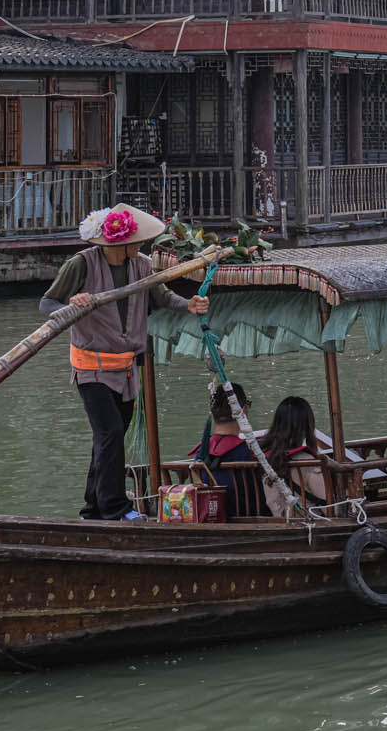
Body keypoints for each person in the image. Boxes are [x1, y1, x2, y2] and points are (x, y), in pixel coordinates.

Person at [38, 202, 210, 521]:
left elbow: (163, 297)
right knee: (111, 434)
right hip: (91, 368)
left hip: (127, 369)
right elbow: (47, 303)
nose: (142, 245)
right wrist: (73, 303)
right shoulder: (82, 264)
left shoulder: (142, 265)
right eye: (137, 241)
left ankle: (93, 507)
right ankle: (116, 508)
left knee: (107, 438)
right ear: (119, 243)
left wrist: (190, 305)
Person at [186, 380, 262, 513]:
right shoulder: (245, 454)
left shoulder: (201, 453)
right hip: (245, 516)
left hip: (208, 514)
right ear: (243, 410)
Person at [258, 395, 330, 513]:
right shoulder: (308, 462)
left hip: (280, 522)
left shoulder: (267, 459)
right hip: (312, 523)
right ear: (307, 426)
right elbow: (329, 508)